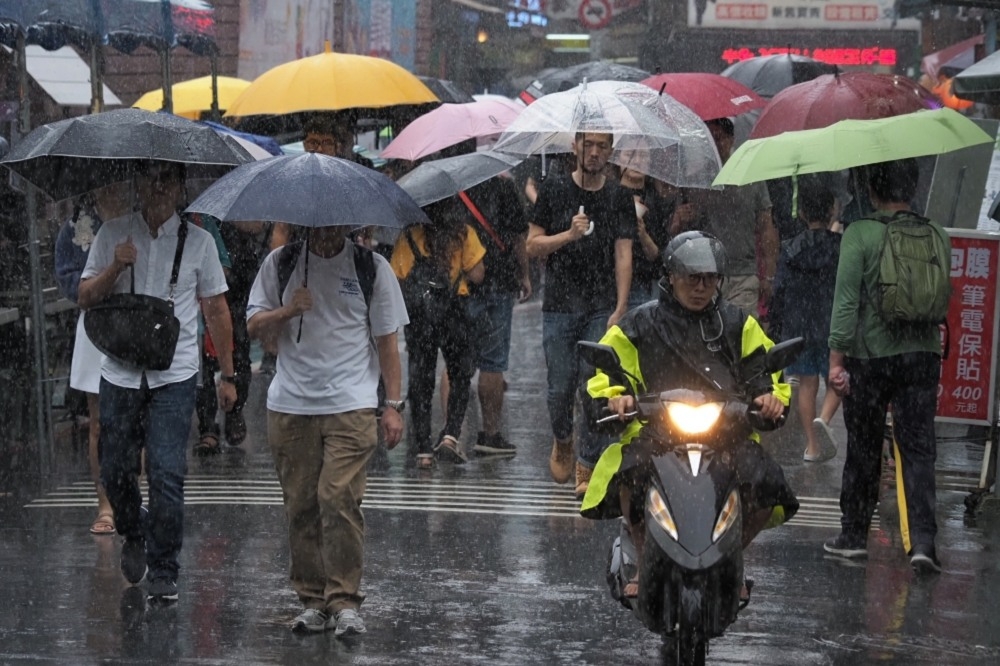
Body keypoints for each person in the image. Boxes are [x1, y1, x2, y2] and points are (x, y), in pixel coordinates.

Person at [581, 231, 799, 598]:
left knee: (769, 484)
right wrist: (617, 398)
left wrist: (769, 399)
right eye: (692, 278)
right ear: (670, 276)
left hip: (726, 433)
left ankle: (733, 560)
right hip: (656, 433)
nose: (701, 287)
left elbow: (766, 372)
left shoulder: (737, 323)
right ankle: (644, 559)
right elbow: (607, 371)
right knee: (629, 474)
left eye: (710, 279)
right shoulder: (639, 323)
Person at [79, 160, 237, 602]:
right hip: (121, 372)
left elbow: (218, 310)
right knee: (115, 468)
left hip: (175, 372)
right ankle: (133, 530)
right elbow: (84, 297)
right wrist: (114, 268)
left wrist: (229, 375)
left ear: (181, 186)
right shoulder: (113, 233)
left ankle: (165, 564)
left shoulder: (200, 242)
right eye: (151, 178)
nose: (159, 187)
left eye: (168, 179)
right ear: (139, 183)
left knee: (167, 471)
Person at [246, 223, 407, 635]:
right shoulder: (279, 263)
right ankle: (313, 600)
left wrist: (392, 405)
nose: (328, 227)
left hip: (351, 404)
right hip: (290, 405)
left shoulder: (371, 267)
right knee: (301, 505)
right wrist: (287, 310)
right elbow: (255, 327)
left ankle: (344, 599)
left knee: (337, 497)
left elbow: (387, 339)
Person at [824, 159, 946, 574]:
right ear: (911, 188)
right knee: (919, 449)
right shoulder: (936, 234)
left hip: (870, 357)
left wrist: (836, 361)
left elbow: (845, 306)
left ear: (872, 191)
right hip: (923, 355)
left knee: (863, 447)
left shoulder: (860, 233)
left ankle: (854, 536)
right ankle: (925, 542)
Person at [528, 132, 635, 498]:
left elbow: (623, 253)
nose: (594, 153)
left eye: (601, 146)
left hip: (600, 304)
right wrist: (567, 236)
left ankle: (586, 463)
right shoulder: (554, 189)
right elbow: (532, 245)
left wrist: (621, 307)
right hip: (559, 304)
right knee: (560, 387)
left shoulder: (619, 197)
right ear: (575, 147)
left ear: (610, 151)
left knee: (593, 384)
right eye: (587, 145)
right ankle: (563, 438)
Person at [390, 197, 486, 467]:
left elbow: (396, 277)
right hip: (456, 312)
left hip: (420, 317)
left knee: (421, 380)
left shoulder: (410, 235)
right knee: (459, 376)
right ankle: (451, 435)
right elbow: (478, 274)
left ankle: (422, 450)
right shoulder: (464, 233)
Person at [440, 175, 532, 455]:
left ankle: (450, 432)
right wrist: (524, 274)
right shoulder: (504, 185)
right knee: (493, 362)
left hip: (458, 285)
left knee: (454, 361)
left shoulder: (448, 184)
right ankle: (489, 435)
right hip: (497, 281)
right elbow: (518, 237)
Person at [54, 188, 127, 535]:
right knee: (98, 423)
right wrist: (104, 276)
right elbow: (72, 284)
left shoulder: (143, 217)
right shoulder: (75, 227)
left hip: (134, 323)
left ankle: (134, 496)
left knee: (135, 420)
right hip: (96, 324)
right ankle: (104, 503)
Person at [670, 118, 778, 315]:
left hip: (743, 275)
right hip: (702, 276)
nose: (714, 145)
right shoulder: (694, 180)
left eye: (718, 139)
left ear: (731, 140)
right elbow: (676, 233)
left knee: (741, 336)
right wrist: (680, 219)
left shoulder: (751, 178)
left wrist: (768, 276)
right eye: (708, 140)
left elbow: (766, 227)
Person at [769, 176, 842, 463]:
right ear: (831, 211)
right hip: (830, 322)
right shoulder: (840, 247)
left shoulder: (790, 248)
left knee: (807, 384)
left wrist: (778, 324)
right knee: (838, 379)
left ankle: (812, 446)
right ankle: (824, 419)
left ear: (801, 213)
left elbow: (780, 289)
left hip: (799, 324)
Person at [193, 218, 272, 452]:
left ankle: (235, 410)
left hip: (237, 279)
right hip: (204, 281)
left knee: (238, 349)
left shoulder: (238, 196)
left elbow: (257, 226)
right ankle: (207, 425)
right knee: (202, 360)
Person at [615, 161, 674, 308]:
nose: (636, 161)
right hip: (609, 285)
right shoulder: (609, 195)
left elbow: (659, 255)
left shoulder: (656, 201)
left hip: (645, 282)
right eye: (629, 155)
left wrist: (642, 234)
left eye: (642, 155)